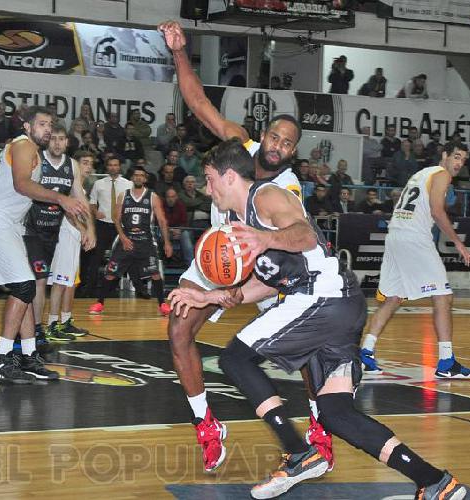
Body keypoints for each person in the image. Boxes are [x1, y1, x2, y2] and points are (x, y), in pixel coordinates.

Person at [169, 139, 470, 500]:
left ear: (229, 175)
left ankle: (299, 453)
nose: (207, 188)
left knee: (235, 357)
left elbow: (305, 234)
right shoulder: (243, 220)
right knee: (335, 413)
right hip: (339, 306)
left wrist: (266, 239)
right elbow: (264, 283)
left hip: (320, 297)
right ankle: (433, 480)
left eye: (209, 178)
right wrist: (209, 296)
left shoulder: (266, 197)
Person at [159, 20, 335, 475]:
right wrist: (181, 52)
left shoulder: (287, 188)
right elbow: (198, 103)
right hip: (218, 259)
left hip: (264, 266)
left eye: (287, 143)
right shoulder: (240, 146)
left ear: (293, 153)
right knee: (178, 331)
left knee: (306, 353)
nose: (277, 146)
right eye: (275, 137)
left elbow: (296, 240)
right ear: (266, 135)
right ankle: (207, 424)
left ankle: (317, 429)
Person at [0, 106, 90, 384]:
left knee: (23, 287)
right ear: (27, 126)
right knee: (25, 286)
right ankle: (1, 358)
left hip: (9, 224)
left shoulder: (32, 151)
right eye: (42, 124)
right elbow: (22, 185)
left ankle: (28, 355)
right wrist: (60, 199)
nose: (47, 129)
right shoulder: (23, 145)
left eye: (50, 124)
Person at [359, 142, 470, 380]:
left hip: (396, 235)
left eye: (463, 160)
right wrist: (457, 241)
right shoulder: (442, 174)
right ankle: (446, 361)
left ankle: (365, 352)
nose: (459, 163)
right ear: (444, 155)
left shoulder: (420, 174)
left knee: (393, 298)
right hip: (414, 238)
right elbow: (437, 211)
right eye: (456, 157)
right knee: (443, 296)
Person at [22, 124, 93, 345]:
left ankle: (39, 327)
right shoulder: (36, 159)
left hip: (54, 230)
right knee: (39, 281)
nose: (57, 143)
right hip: (31, 229)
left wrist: (89, 228)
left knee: (46, 281)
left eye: (61, 139)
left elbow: (80, 198)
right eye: (53, 138)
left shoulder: (71, 166)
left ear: (67, 142)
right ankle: (34, 328)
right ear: (47, 140)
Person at [87, 167, 174, 316]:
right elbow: (116, 218)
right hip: (126, 240)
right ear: (132, 178)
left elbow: (161, 220)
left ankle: (162, 304)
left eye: (142, 175)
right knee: (110, 273)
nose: (139, 178)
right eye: (136, 175)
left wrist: (167, 242)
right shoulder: (124, 195)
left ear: (145, 179)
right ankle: (99, 303)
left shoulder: (152, 196)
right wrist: (122, 236)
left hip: (146, 241)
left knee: (155, 274)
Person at [45, 150, 99, 339]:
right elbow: (68, 212)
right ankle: (52, 325)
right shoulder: (69, 184)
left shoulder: (82, 190)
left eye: (90, 163)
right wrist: (83, 229)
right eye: (84, 162)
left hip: (74, 235)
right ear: (75, 165)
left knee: (70, 282)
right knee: (60, 282)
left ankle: (65, 321)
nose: (88, 166)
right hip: (65, 234)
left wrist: (85, 229)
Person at [84, 157, 134, 299]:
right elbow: (92, 202)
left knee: (118, 258)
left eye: (115, 165)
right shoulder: (98, 184)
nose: (113, 167)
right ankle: (90, 290)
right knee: (95, 258)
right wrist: (95, 212)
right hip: (103, 224)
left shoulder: (128, 184)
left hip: (121, 225)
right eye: (110, 165)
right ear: (107, 167)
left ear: (119, 167)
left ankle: (111, 289)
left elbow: (131, 203)